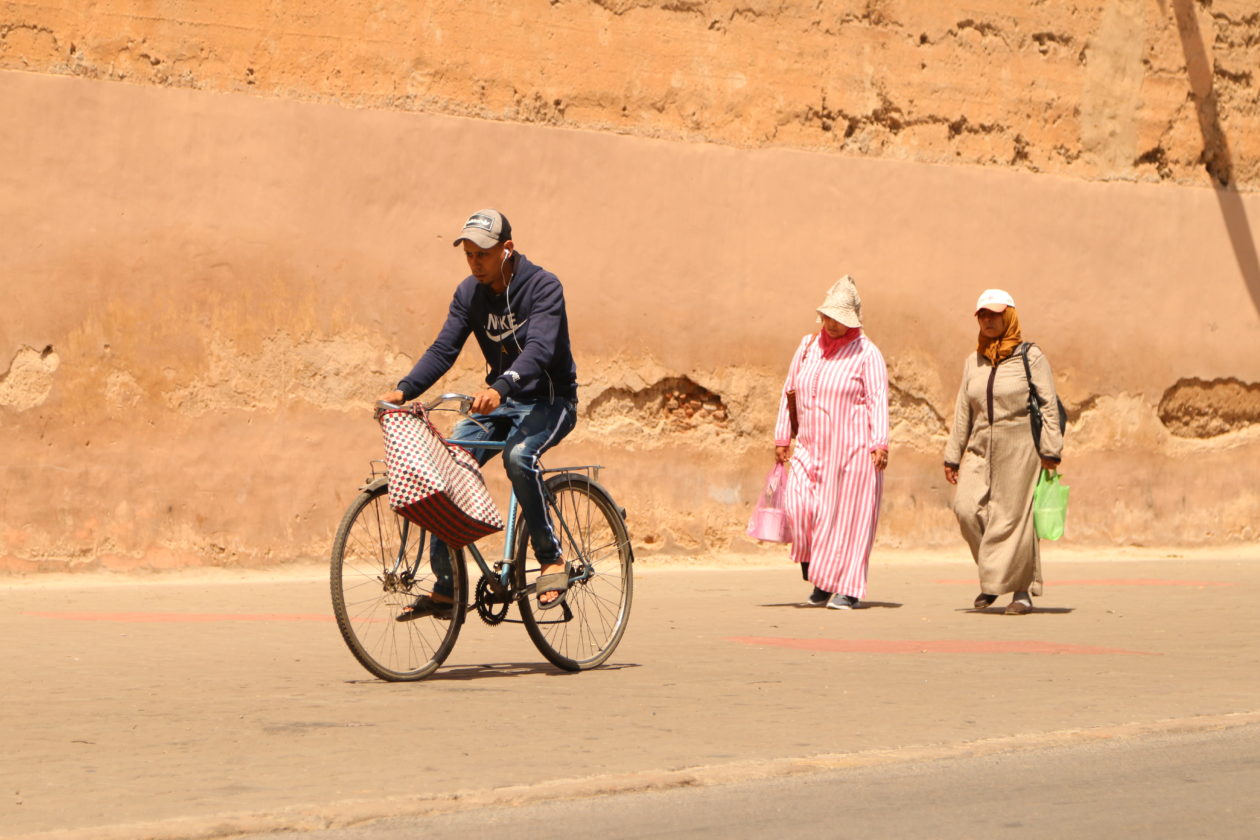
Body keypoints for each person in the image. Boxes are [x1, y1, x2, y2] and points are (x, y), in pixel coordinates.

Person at [377, 209, 578, 618]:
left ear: (507, 249)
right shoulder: (469, 294)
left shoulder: (543, 287)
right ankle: (449, 586)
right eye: (468, 255)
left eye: (483, 254)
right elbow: (443, 349)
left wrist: (500, 386)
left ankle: (551, 558)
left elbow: (539, 350)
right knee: (446, 463)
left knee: (519, 458)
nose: (475, 263)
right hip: (501, 400)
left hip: (549, 401)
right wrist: (404, 390)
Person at [943, 289, 1064, 615]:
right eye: (982, 314)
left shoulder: (1030, 357)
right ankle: (994, 577)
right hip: (979, 448)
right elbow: (963, 411)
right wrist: (953, 454)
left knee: (1012, 521)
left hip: (1020, 450)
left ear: (1008, 316)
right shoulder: (974, 361)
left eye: (994, 314)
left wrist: (1050, 450)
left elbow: (1048, 406)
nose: (987, 320)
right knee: (967, 510)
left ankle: (1021, 592)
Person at [773, 276, 889, 610]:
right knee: (799, 508)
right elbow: (789, 390)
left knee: (848, 521)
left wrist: (879, 443)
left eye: (840, 319)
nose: (832, 324)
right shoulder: (808, 347)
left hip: (852, 452)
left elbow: (878, 399)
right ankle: (819, 576)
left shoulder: (867, 353)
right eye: (828, 317)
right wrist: (783, 436)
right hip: (809, 447)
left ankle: (847, 588)